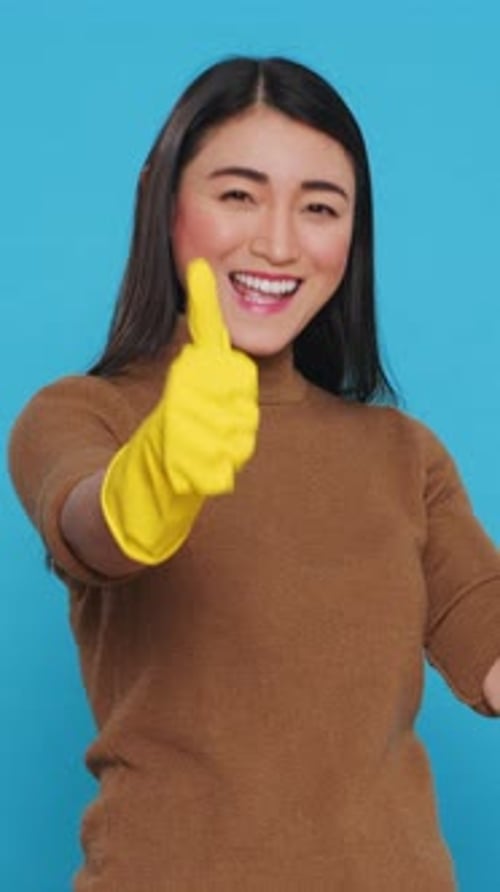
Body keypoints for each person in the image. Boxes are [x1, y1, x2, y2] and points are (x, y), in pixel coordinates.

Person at [8, 55, 500, 891]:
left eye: (319, 207)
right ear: (164, 206)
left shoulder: (403, 455)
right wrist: (158, 477)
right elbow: (87, 522)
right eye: (237, 194)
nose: (276, 241)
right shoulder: (81, 415)